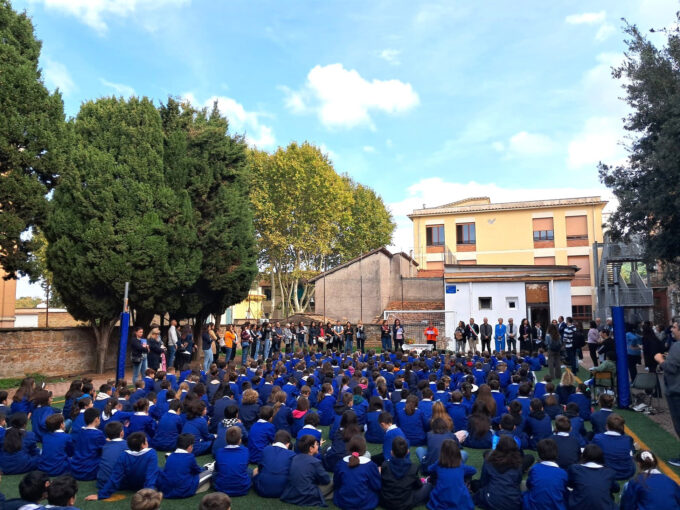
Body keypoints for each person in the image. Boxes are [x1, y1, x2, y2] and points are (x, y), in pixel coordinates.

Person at [86, 432, 159, 500]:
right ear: (143, 445)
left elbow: (115, 476)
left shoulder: (124, 455)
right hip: (142, 486)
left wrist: (101, 494)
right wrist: (148, 495)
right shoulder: (151, 453)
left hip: (130, 485)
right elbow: (151, 476)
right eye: (146, 441)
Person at [472, 435, 523, 510]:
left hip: (492, 499)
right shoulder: (518, 463)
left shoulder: (489, 460)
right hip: (513, 502)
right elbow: (518, 481)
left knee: (476, 490)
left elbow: (484, 482)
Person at [280, 434, 333, 506]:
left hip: (292, 492)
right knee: (334, 481)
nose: (318, 446)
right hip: (306, 494)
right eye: (317, 444)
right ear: (311, 449)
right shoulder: (315, 462)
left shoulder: (295, 458)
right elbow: (325, 480)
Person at [655, 319, 680, 466]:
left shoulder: (677, 347)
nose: (672, 330)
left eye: (675, 327)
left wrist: (660, 360)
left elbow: (670, 368)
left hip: (676, 392)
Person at [157, 433, 213, 498]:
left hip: (167, 490)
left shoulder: (170, 456)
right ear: (189, 447)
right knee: (209, 472)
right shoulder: (190, 457)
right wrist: (206, 468)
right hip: (183, 490)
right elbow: (198, 470)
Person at [333, 435, 381, 510]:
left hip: (343, 501)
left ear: (348, 448)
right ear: (365, 449)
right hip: (364, 503)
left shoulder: (341, 463)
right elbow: (377, 485)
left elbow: (336, 483)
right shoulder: (370, 465)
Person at [567, 444, 619, 510]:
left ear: (583, 456)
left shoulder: (575, 469)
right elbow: (616, 488)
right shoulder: (609, 472)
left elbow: (569, 484)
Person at [522, 438, 568, 510]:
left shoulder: (535, 468)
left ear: (539, 454)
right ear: (556, 452)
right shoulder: (563, 473)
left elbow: (529, 484)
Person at [253, 430, 296, 498]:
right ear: (288, 444)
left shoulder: (266, 449)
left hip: (261, 489)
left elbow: (260, 469)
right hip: (282, 491)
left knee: (255, 470)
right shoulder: (292, 454)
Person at [592, 413, 635, 480]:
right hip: (626, 473)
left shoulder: (598, 438)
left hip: (605, 472)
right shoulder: (628, 439)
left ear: (606, 426)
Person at [213, 426, 251, 497]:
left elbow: (217, 468)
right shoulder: (246, 451)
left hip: (222, 489)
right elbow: (245, 466)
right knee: (249, 471)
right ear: (240, 440)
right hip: (242, 489)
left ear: (226, 439)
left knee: (214, 473)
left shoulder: (219, 452)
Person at [70, 408, 106, 480]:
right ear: (96, 419)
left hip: (75, 469)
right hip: (90, 470)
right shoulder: (98, 434)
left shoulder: (80, 431)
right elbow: (103, 450)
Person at [96, 421, 127, 490]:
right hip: (119, 483)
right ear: (121, 433)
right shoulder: (127, 445)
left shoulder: (105, 446)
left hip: (102, 482)